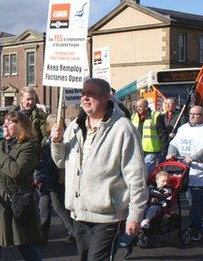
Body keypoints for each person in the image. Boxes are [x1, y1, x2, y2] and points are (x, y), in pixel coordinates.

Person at [51, 78, 148, 261]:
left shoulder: (123, 129)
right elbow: (60, 162)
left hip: (107, 216)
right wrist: (56, 142)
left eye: (91, 94)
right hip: (79, 213)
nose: (85, 98)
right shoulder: (75, 127)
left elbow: (136, 176)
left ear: (105, 97)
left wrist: (135, 215)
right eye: (83, 93)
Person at [0, 111, 43, 260]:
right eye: (4, 121)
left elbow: (16, 171)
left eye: (10, 122)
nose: (4, 124)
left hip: (17, 202)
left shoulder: (29, 147)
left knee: (26, 247)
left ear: (21, 126)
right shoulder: (0, 147)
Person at [35, 114, 74, 244]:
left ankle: (73, 233)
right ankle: (42, 236)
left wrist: (40, 176)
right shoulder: (49, 141)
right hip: (48, 178)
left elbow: (51, 162)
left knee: (59, 208)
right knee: (44, 206)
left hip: (53, 178)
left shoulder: (57, 141)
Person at [167, 105, 203, 241]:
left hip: (199, 174)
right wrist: (171, 152)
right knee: (190, 200)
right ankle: (198, 221)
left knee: (196, 203)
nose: (193, 116)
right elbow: (174, 143)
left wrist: (192, 158)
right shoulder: (182, 128)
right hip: (183, 172)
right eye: (191, 113)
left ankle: (195, 229)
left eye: (197, 114)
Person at [131, 99, 165, 175]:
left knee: (146, 171)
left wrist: (163, 150)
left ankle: (146, 185)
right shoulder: (133, 116)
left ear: (146, 107)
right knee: (137, 171)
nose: (138, 108)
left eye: (140, 106)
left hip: (151, 150)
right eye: (137, 107)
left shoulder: (155, 116)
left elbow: (162, 134)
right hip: (137, 149)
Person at [15, 86, 48, 153]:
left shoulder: (41, 115)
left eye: (33, 99)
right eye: (28, 99)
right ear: (21, 99)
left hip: (33, 153)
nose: (31, 102)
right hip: (16, 151)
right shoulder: (14, 114)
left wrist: (38, 150)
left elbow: (46, 136)